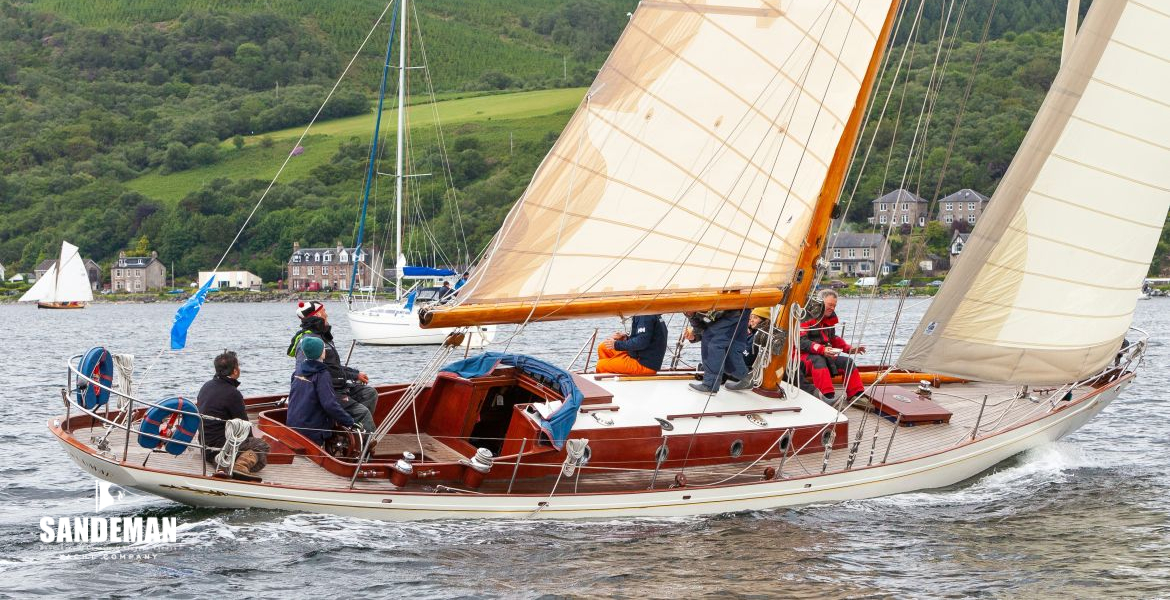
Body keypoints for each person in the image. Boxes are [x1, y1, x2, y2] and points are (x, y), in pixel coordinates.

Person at [287, 301, 377, 432]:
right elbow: (308, 372)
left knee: (369, 393)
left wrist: (355, 374)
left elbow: (334, 368)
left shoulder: (323, 337)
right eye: (324, 312)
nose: (327, 314)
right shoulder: (308, 342)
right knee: (362, 413)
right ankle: (366, 446)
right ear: (318, 315)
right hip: (327, 390)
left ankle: (350, 430)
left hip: (339, 386)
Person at [196, 350, 269, 481]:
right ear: (235, 371)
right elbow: (244, 426)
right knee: (261, 445)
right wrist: (251, 444)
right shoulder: (232, 393)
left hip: (205, 445)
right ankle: (240, 466)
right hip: (220, 445)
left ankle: (221, 462)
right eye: (238, 366)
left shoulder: (206, 386)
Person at [799, 289, 866, 405]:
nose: (833, 308)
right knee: (818, 360)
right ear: (819, 302)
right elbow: (801, 341)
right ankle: (827, 396)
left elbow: (832, 338)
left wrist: (848, 348)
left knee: (848, 362)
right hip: (800, 357)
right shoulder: (805, 317)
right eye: (830, 305)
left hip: (822, 354)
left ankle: (856, 395)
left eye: (834, 306)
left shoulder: (828, 320)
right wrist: (821, 349)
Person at [287, 337, 357, 445]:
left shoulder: (297, 372)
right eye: (323, 348)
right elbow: (329, 404)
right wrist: (350, 422)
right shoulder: (321, 375)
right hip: (312, 432)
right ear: (320, 352)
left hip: (292, 427)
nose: (325, 350)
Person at [686, 309, 752, 394]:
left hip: (730, 311)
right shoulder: (690, 311)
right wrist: (694, 336)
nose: (687, 313)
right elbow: (700, 327)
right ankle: (746, 379)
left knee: (712, 340)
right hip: (740, 309)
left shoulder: (698, 304)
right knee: (732, 348)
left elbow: (709, 330)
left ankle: (710, 385)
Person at [595, 314, 668, 375]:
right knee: (603, 347)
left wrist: (616, 344)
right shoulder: (646, 314)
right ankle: (613, 372)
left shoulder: (645, 316)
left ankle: (609, 375)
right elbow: (645, 338)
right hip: (637, 356)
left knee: (601, 365)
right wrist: (626, 337)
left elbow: (641, 343)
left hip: (644, 364)